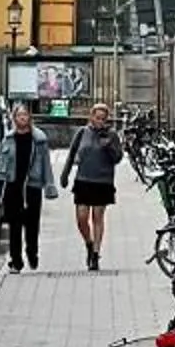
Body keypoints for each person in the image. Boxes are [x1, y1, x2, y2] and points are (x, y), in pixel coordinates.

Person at [68, 104, 123, 271]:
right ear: (91, 117)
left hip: (103, 181)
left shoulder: (112, 135)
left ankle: (96, 255)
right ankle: (89, 243)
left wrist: (109, 147)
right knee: (81, 218)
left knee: (97, 217)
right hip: (83, 179)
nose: (100, 121)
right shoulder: (83, 133)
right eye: (97, 118)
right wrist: (65, 175)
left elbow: (118, 157)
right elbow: (72, 153)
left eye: (103, 119)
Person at [2, 102, 55, 271]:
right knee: (14, 226)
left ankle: (32, 252)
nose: (22, 118)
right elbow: (0, 163)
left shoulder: (39, 140)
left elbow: (46, 163)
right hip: (13, 186)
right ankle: (15, 261)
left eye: (25, 115)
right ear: (14, 118)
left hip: (32, 187)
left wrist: (49, 184)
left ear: (30, 118)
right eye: (19, 115)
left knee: (32, 225)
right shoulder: (8, 139)